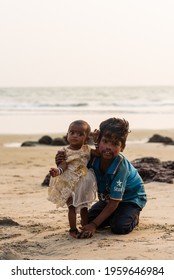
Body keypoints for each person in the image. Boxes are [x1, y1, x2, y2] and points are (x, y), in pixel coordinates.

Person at [55, 117, 147, 238]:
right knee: (88, 219)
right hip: (108, 199)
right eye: (105, 142)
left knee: (119, 227)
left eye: (114, 144)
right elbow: (74, 167)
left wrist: (93, 225)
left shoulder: (121, 167)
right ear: (98, 140)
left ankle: (132, 216)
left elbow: (114, 202)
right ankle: (115, 215)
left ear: (122, 147)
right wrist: (60, 162)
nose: (108, 147)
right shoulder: (92, 158)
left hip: (130, 200)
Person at [48, 120, 99, 238]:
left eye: (80, 134)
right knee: (71, 206)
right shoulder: (64, 151)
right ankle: (72, 229)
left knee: (84, 207)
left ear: (86, 138)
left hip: (84, 181)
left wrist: (96, 141)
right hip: (68, 182)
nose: (75, 135)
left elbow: (99, 154)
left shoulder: (87, 149)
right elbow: (63, 165)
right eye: (72, 132)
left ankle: (85, 227)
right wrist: (57, 171)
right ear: (67, 135)